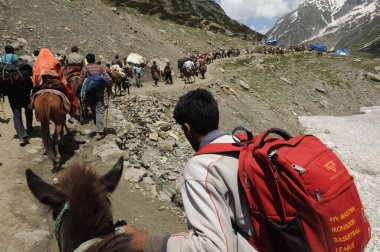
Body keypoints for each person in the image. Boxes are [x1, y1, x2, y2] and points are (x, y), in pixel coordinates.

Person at [124, 88, 255, 251]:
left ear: (187, 128)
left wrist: (153, 243)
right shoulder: (241, 143)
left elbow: (214, 247)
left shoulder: (200, 167)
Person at [32, 48, 78, 124]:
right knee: (72, 96)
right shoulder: (54, 60)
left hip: (43, 84)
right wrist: (63, 81)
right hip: (56, 83)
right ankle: (72, 116)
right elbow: (60, 73)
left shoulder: (37, 62)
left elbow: (35, 75)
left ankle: (37, 115)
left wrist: (36, 84)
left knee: (33, 98)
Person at [77, 53, 112, 139]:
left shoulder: (85, 68)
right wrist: (109, 89)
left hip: (89, 93)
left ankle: (96, 121)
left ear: (87, 60)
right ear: (94, 59)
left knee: (93, 108)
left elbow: (80, 82)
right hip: (99, 92)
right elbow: (109, 79)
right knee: (100, 110)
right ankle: (99, 132)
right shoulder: (100, 67)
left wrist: (76, 92)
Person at [7, 60, 33, 146]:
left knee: (17, 114)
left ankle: (22, 136)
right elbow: (31, 85)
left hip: (13, 96)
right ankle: (29, 128)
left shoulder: (9, 73)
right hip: (25, 95)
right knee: (28, 110)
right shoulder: (26, 72)